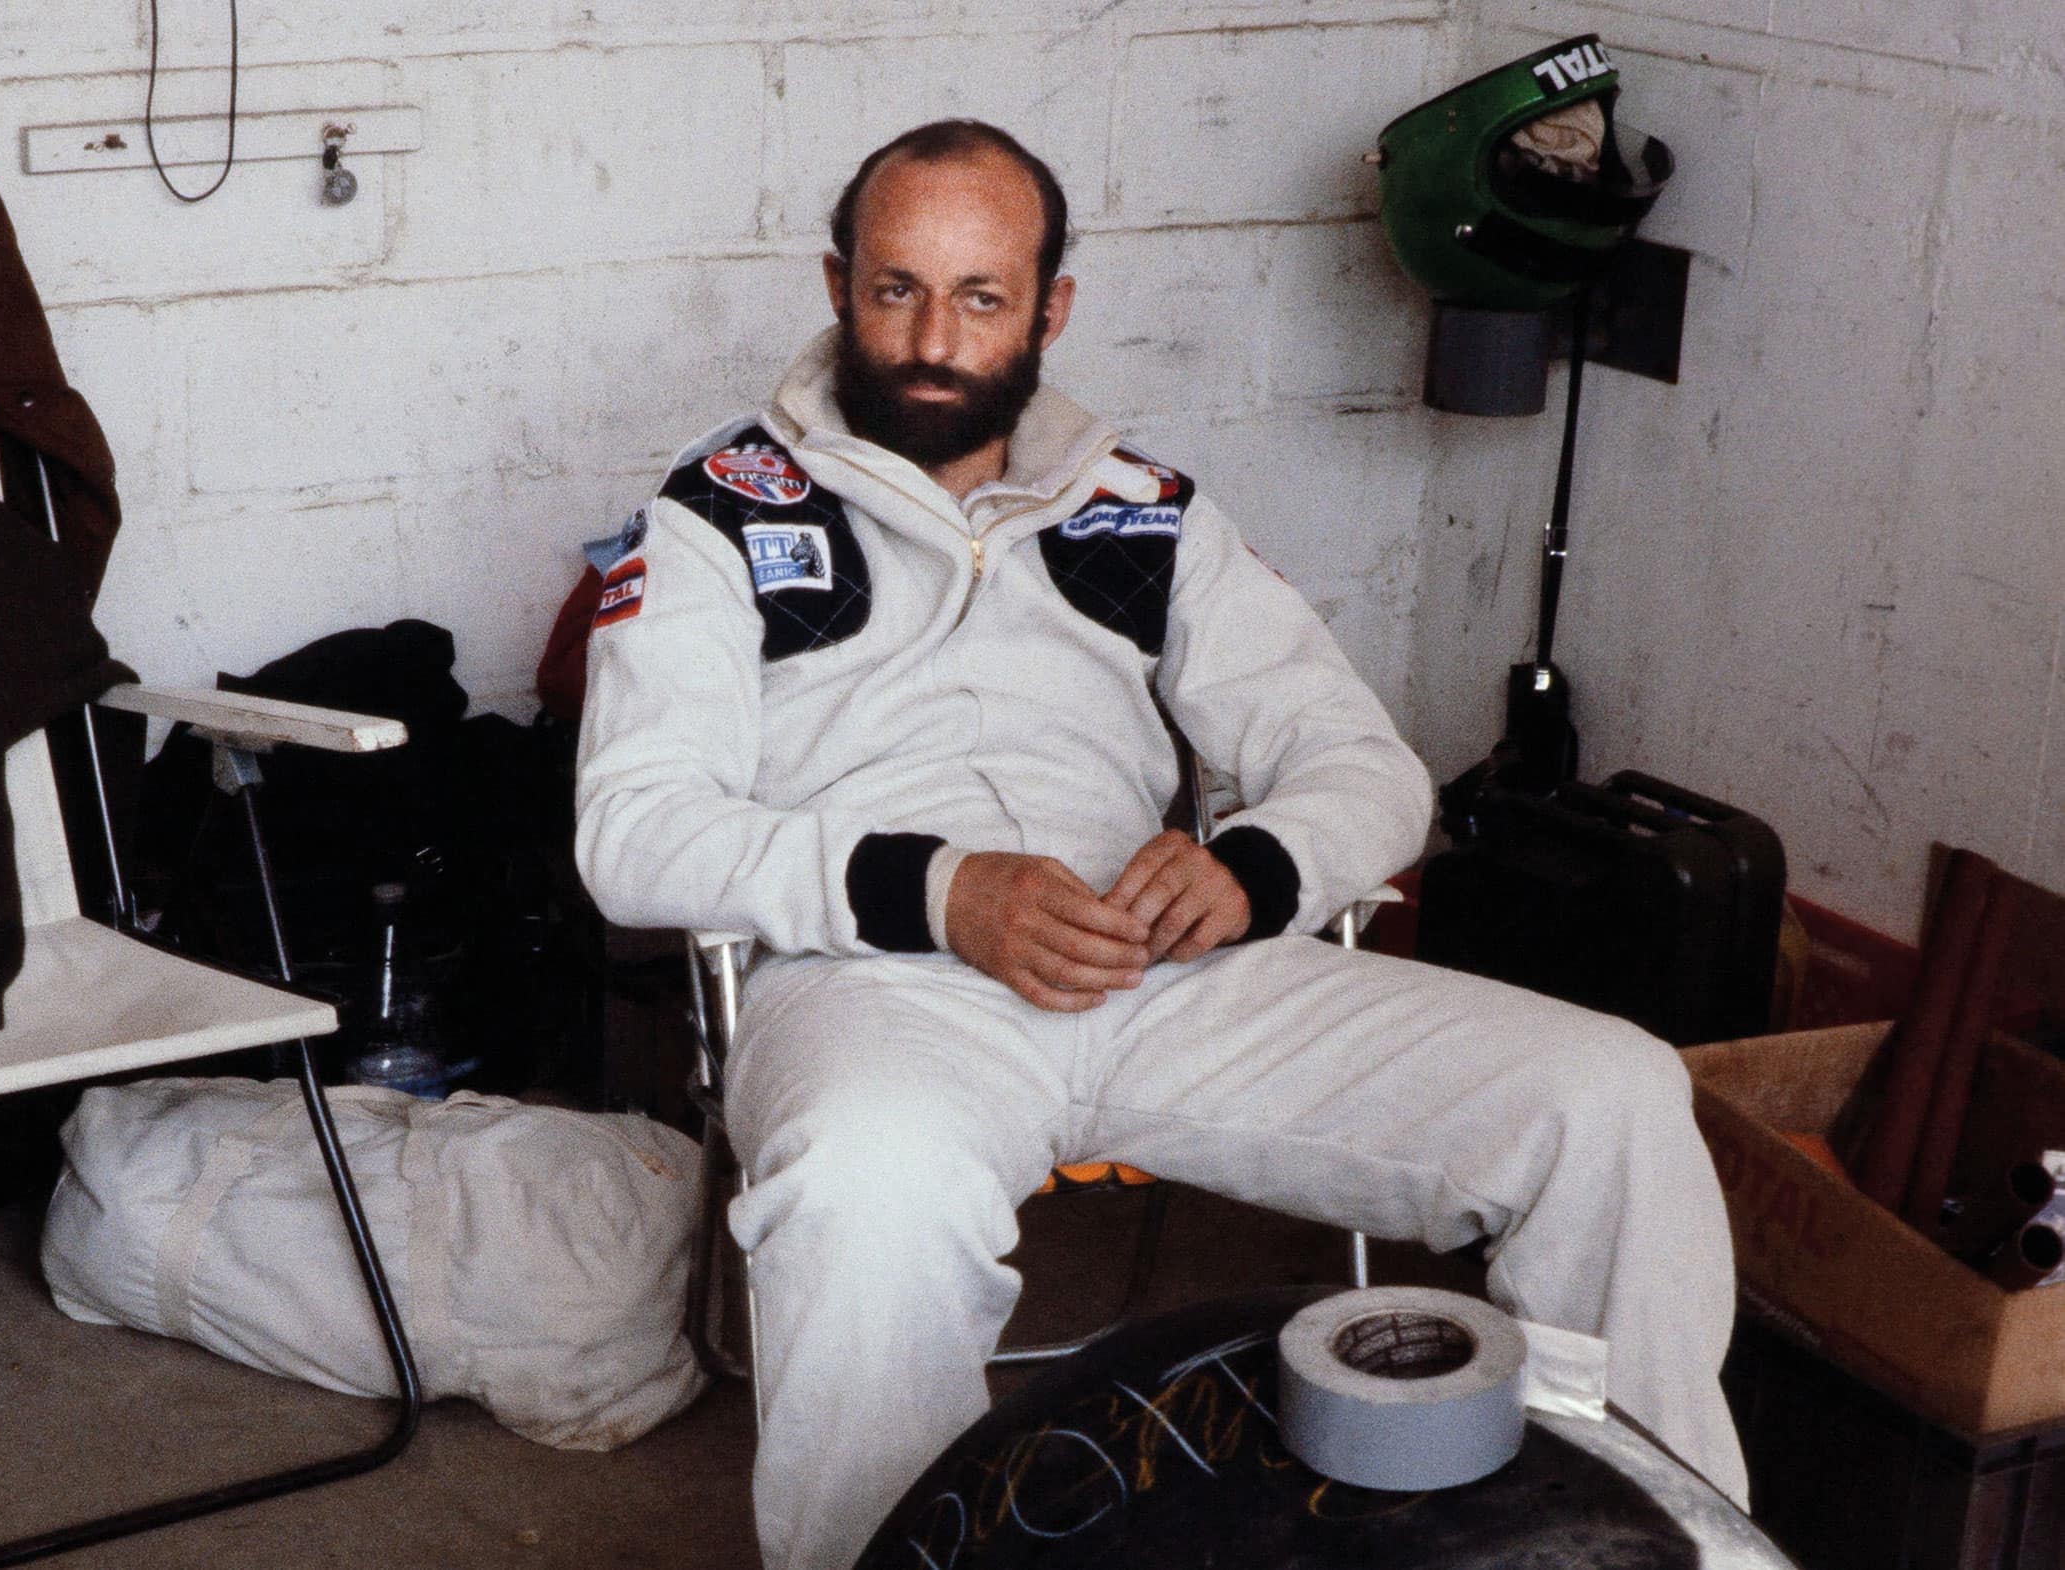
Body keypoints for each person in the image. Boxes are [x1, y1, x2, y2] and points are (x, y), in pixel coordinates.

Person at [574, 119, 1746, 1570]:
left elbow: (1364, 767)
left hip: (1157, 970)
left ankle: (1664, 1541)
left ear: (1051, 307)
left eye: (983, 295)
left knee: (1613, 1094)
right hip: (877, 988)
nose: (934, 337)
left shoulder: (1146, 511)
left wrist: (1253, 867)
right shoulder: (713, 516)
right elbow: (634, 832)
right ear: (834, 283)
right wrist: (940, 889)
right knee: (859, 1192)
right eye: (896, 289)